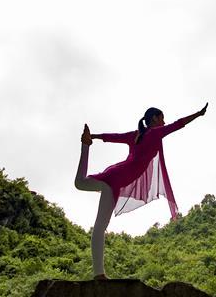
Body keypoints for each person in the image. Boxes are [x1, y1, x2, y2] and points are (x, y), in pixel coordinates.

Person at [74, 103, 208, 280]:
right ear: (154, 119)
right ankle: (99, 274)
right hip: (118, 178)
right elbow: (178, 124)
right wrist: (198, 114)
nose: (164, 121)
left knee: (80, 184)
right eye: (161, 118)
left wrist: (94, 137)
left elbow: (115, 137)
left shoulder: (137, 135)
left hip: (115, 177)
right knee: (99, 226)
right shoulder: (154, 133)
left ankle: (85, 146)